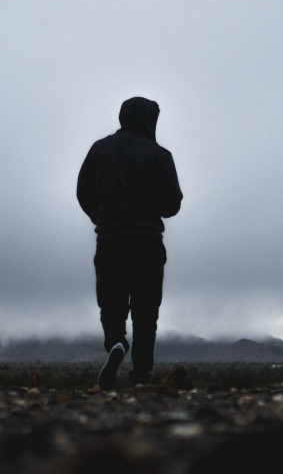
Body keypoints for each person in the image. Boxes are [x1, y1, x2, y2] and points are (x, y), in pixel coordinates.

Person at [76, 96, 183, 390]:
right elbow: (173, 204)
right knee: (146, 311)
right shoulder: (160, 156)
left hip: (110, 239)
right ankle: (141, 374)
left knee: (112, 303)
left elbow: (83, 191)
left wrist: (101, 216)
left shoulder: (100, 149)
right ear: (149, 120)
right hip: (147, 242)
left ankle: (116, 342)